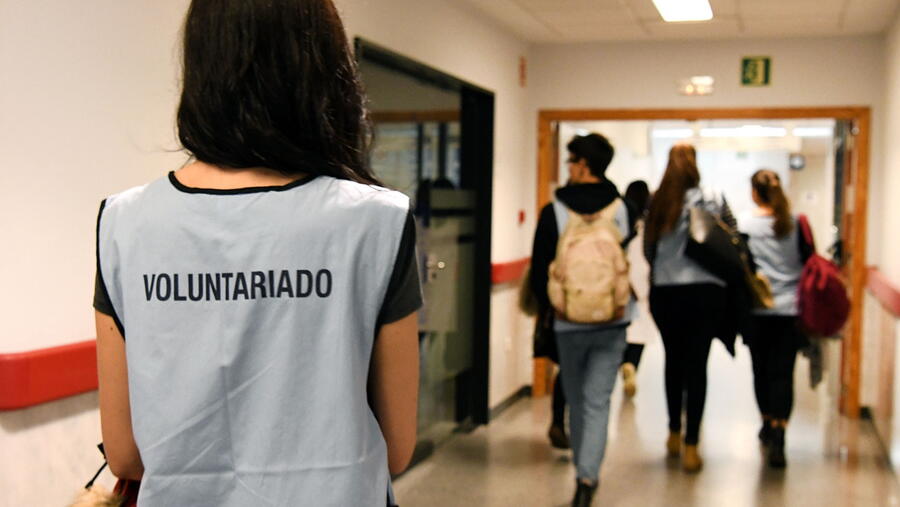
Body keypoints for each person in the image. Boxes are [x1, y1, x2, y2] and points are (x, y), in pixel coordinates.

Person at [93, 1, 421, 505]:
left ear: (200, 65)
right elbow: (394, 450)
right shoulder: (376, 221)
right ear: (322, 70)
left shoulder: (124, 222)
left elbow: (125, 455)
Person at [531, 133, 637, 506]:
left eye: (571, 161)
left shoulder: (555, 210)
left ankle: (583, 467)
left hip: (568, 321)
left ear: (583, 165)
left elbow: (539, 271)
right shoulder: (623, 208)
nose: (568, 168)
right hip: (613, 320)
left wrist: (552, 309)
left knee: (576, 399)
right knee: (598, 401)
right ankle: (586, 477)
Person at [643, 144, 736, 473]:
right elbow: (732, 238)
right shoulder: (713, 197)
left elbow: (649, 248)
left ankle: (673, 432)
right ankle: (692, 444)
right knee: (697, 365)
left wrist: (663, 269)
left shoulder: (657, 201)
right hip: (706, 293)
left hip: (667, 291)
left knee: (673, 361)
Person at [739, 169, 811, 468]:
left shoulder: (745, 224)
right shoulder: (795, 222)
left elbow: (740, 264)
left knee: (760, 370)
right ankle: (780, 431)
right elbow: (809, 262)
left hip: (757, 310)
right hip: (790, 310)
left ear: (755, 192)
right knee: (783, 373)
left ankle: (766, 422)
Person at [620, 180, 652, 398]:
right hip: (643, 284)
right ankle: (632, 365)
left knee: (624, 330)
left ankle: (624, 363)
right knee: (640, 331)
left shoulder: (622, 222)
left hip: (623, 282)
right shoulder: (649, 227)